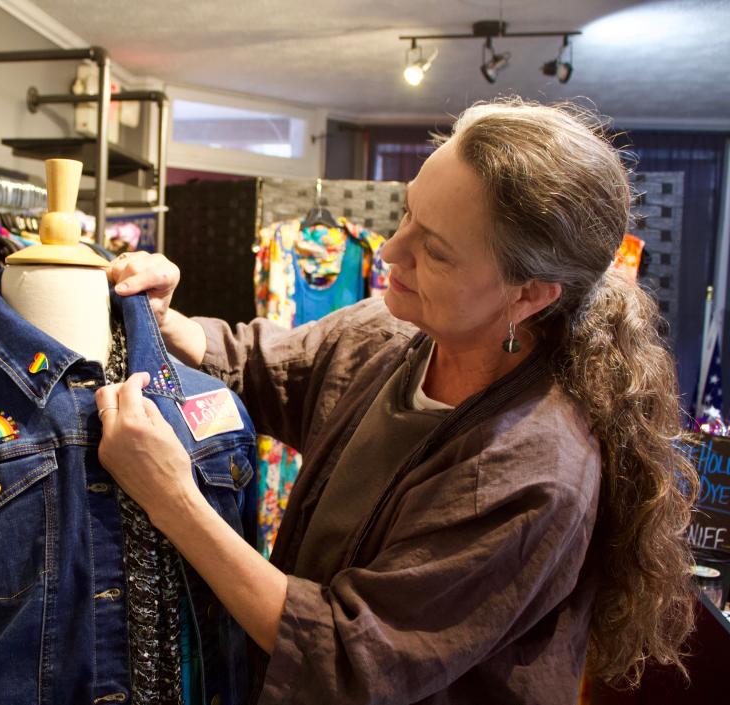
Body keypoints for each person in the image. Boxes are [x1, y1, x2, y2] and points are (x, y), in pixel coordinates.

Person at [94, 98, 698, 704]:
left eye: (435, 251)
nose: (390, 251)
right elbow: (266, 365)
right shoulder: (398, 328)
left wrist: (172, 499)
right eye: (407, 214)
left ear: (529, 295)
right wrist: (167, 321)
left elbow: (346, 659)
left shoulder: (529, 473)